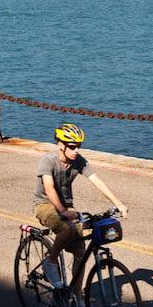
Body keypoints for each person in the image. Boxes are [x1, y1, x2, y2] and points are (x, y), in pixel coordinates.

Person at [31, 123, 129, 295]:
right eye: (72, 146)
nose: (76, 150)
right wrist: (62, 211)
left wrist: (118, 203)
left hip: (68, 207)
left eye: (79, 146)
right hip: (44, 204)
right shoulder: (48, 161)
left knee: (80, 251)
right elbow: (49, 187)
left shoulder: (79, 161)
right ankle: (51, 261)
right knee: (67, 228)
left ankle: (76, 297)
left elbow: (97, 180)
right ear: (60, 145)